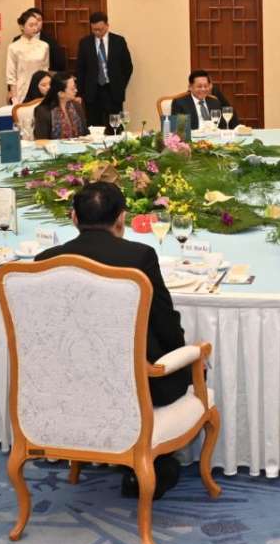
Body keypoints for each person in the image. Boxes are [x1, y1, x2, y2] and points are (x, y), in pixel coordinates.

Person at [36, 181, 192, 498]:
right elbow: (164, 322)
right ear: (121, 218)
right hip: (135, 385)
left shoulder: (46, 260)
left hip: (69, 384)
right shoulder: (139, 257)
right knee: (189, 366)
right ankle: (152, 464)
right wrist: (185, 356)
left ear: (73, 217)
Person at [75, 12, 133, 128]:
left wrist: (120, 85)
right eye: (94, 30)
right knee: (94, 127)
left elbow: (127, 67)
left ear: (107, 26)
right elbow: (80, 69)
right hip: (92, 92)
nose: (97, 32)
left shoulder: (119, 41)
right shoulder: (85, 43)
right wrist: (80, 93)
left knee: (115, 127)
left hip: (113, 92)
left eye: (100, 29)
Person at [6, 9, 50, 107]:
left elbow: (45, 69)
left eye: (36, 25)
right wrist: (14, 98)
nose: (35, 28)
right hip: (22, 89)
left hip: (40, 89)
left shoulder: (44, 46)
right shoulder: (14, 47)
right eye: (31, 25)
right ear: (22, 26)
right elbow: (11, 75)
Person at [170, 71, 240, 130]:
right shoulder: (180, 103)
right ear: (190, 87)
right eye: (199, 86)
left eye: (206, 86)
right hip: (193, 140)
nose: (203, 89)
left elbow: (221, 127)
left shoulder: (214, 102)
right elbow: (179, 130)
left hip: (214, 138)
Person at [10, 6, 68, 76]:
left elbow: (59, 64)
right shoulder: (16, 41)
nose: (36, 23)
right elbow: (12, 69)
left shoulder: (49, 41)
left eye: (39, 20)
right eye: (32, 21)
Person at [32, 72, 88, 140]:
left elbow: (85, 133)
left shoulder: (76, 106)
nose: (76, 90)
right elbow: (41, 140)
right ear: (61, 94)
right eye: (72, 89)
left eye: (75, 87)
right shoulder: (43, 111)